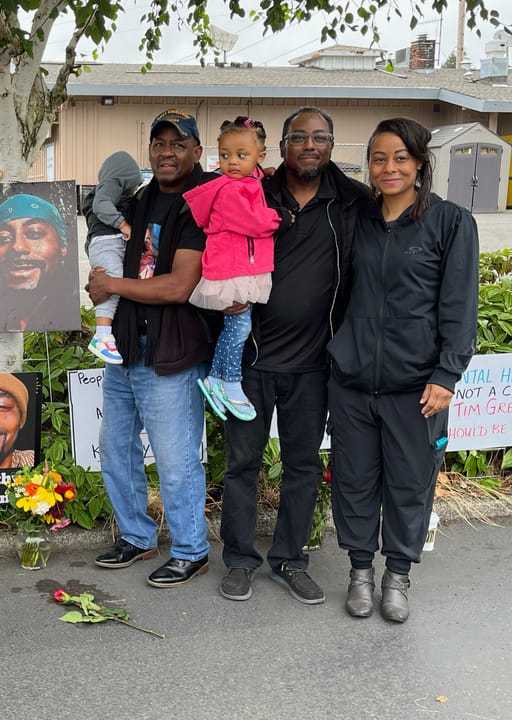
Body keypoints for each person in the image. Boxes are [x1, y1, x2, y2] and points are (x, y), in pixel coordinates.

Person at [218, 106, 370, 606]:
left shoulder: (352, 201)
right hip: (250, 362)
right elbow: (212, 242)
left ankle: (289, 560)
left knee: (303, 465)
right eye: (298, 137)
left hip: (314, 365)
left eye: (320, 137)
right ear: (280, 145)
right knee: (242, 463)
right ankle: (239, 559)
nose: (309, 145)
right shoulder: (252, 192)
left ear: (331, 145)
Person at [328, 117, 478, 623]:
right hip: (351, 385)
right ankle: (360, 573)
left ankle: (397, 576)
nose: (388, 168)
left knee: (410, 484)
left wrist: (446, 375)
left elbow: (459, 306)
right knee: (353, 481)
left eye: (399, 158)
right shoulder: (358, 220)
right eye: (378, 158)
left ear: (419, 163)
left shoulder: (451, 222)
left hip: (417, 387)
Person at [87, 108, 220, 588]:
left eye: (178, 144)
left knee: (175, 457)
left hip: (172, 348)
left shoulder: (204, 201)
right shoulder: (142, 198)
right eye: (159, 143)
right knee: (115, 448)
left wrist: (112, 286)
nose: (167, 152)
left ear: (196, 152)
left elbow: (180, 286)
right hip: (126, 345)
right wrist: (103, 282)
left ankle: (190, 549)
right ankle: (138, 536)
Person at [184, 116, 290, 422]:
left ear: (260, 156)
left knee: (236, 327)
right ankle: (228, 381)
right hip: (232, 269)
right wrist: (280, 220)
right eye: (225, 155)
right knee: (239, 327)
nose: (231, 162)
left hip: (237, 265)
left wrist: (261, 175)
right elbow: (253, 222)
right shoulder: (230, 190)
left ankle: (218, 378)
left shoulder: (247, 182)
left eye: (241, 156)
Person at [0, 192, 79, 332]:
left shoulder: (72, 314)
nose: (18, 247)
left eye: (35, 233)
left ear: (62, 246)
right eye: (4, 238)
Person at [82, 151, 144, 364]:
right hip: (107, 243)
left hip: (107, 245)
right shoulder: (110, 187)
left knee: (114, 280)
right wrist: (123, 223)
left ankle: (106, 334)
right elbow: (101, 206)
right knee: (112, 282)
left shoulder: (111, 190)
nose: (132, 190)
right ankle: (101, 335)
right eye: (132, 185)